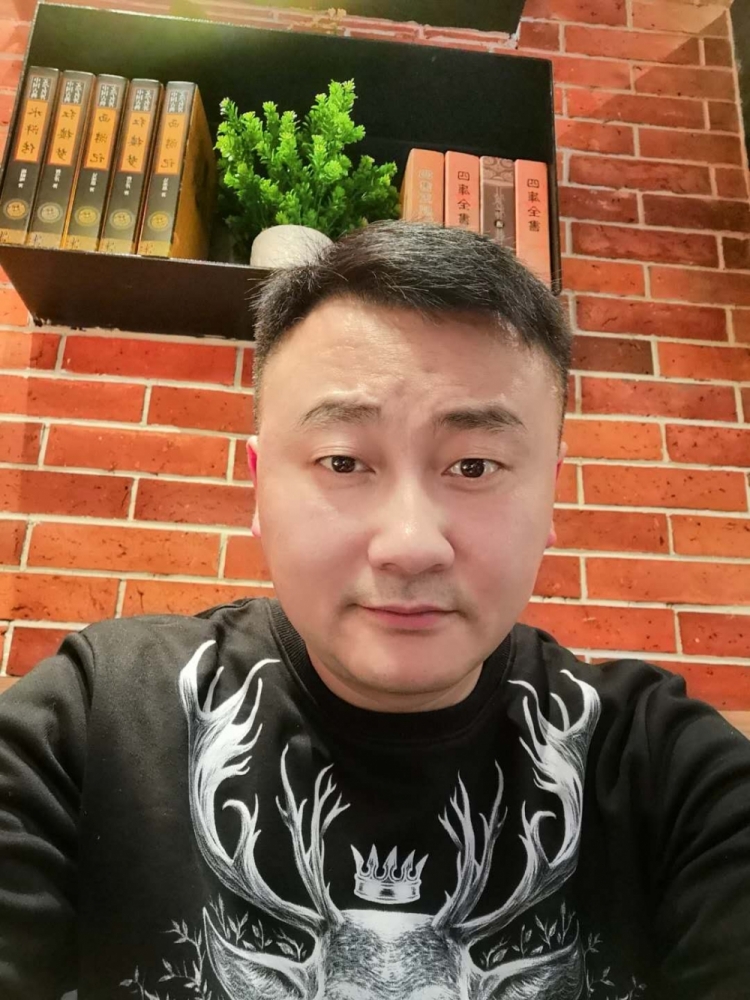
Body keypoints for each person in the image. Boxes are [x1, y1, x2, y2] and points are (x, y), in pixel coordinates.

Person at [0, 221, 749, 1000]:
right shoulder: (95, 724)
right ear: (258, 487)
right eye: (344, 461)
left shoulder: (663, 771)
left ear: (550, 494)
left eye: (474, 466)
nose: (410, 545)